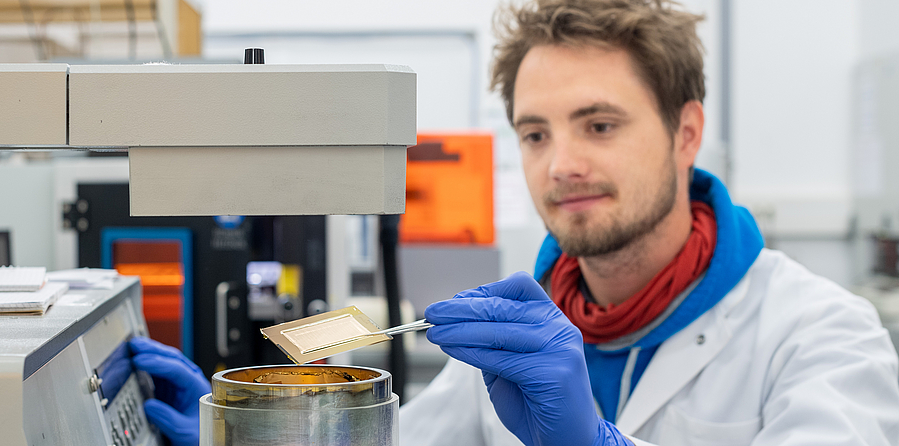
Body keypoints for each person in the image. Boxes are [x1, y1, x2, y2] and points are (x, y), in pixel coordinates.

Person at [132, 1, 899, 445]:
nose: (560, 163)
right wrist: (252, 429)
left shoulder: (819, 336)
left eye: (598, 125)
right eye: (535, 134)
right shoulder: (519, 332)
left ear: (686, 132)